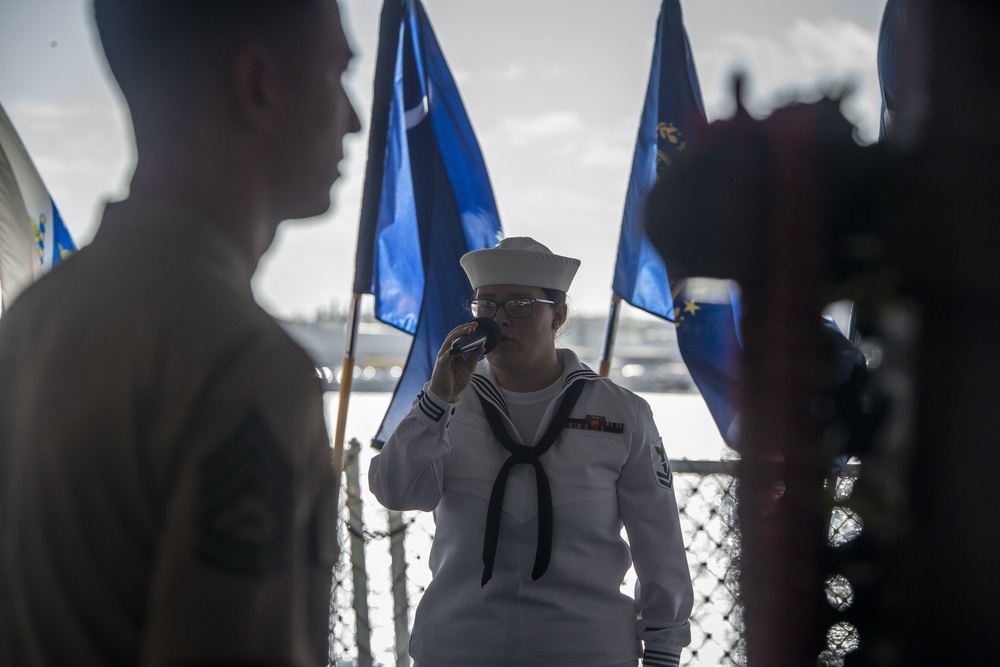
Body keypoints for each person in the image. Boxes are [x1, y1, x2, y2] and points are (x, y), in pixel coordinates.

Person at [0, 1, 360, 665]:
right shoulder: (242, 366)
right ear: (257, 84)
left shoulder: (31, 321)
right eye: (339, 74)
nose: (355, 120)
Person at [369, 237, 694, 667]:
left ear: (557, 315)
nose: (499, 320)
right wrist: (438, 400)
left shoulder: (621, 412)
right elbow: (396, 491)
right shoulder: (445, 404)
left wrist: (663, 650)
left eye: (519, 304)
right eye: (486, 307)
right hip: (459, 647)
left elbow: (660, 543)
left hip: (585, 651)